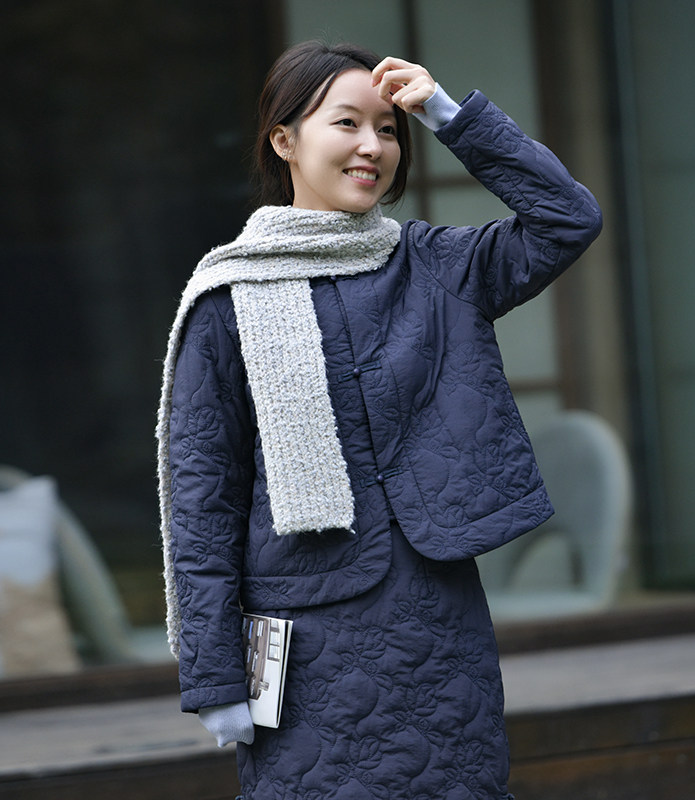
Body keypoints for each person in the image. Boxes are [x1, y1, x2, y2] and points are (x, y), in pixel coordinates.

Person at [156, 40, 601, 800]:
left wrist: (448, 116)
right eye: (347, 123)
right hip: (304, 644)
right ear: (285, 141)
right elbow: (201, 498)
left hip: (438, 624)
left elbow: (566, 219)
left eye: (389, 129)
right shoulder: (228, 298)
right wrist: (213, 674)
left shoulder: (435, 267)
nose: (373, 146)